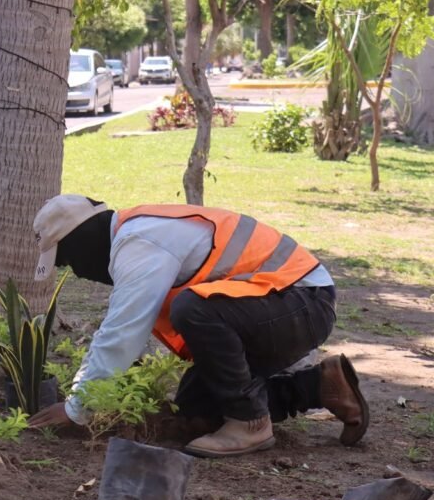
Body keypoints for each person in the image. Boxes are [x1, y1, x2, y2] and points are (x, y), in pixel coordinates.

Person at [27, 195, 370, 458]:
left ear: (82, 240)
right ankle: (319, 386)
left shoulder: (140, 242)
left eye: (68, 261)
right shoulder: (136, 235)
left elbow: (121, 334)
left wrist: (77, 409)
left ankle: (249, 422)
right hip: (282, 308)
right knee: (195, 413)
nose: (78, 273)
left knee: (192, 308)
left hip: (302, 302)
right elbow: (120, 332)